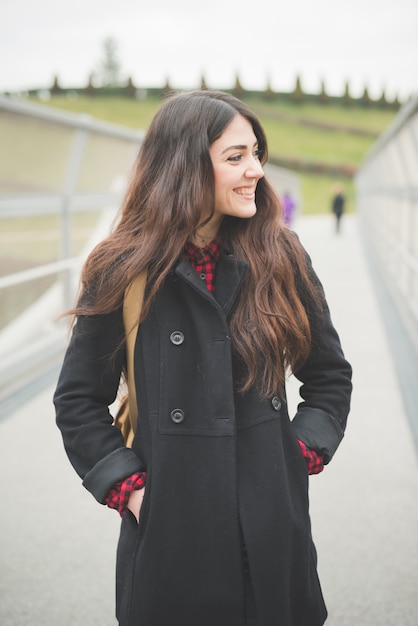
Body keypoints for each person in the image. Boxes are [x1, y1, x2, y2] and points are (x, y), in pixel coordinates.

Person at [54, 90, 352, 626]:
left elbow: (328, 375)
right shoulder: (122, 267)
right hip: (174, 535)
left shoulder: (281, 255)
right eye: (235, 157)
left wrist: (298, 453)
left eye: (256, 153)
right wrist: (134, 492)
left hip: (271, 528)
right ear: (184, 164)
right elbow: (78, 400)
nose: (256, 170)